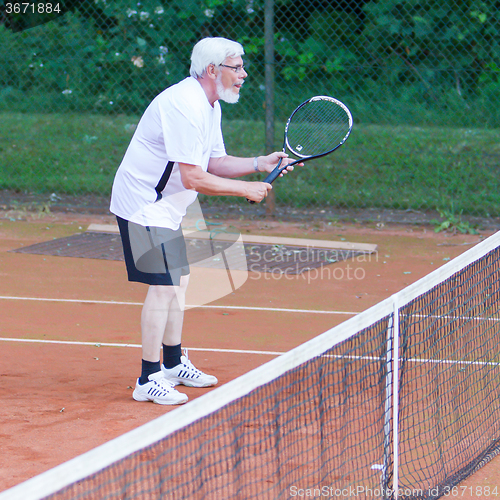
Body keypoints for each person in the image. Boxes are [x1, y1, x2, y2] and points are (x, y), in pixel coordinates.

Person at [110, 37, 296, 405]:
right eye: (236, 66)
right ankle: (147, 379)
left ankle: (173, 363)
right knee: (164, 286)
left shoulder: (210, 106)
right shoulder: (185, 105)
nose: (243, 73)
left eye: (242, 66)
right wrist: (246, 191)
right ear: (213, 70)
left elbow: (214, 162)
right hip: (144, 202)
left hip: (169, 203)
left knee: (178, 280)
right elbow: (195, 177)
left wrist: (261, 163)